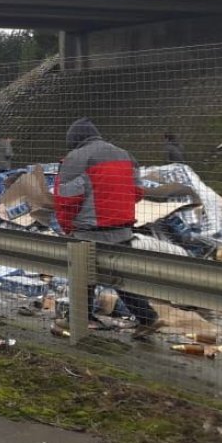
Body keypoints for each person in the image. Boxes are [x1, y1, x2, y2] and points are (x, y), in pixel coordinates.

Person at [54, 118, 164, 339]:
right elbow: (137, 193)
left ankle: (77, 320)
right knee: (119, 277)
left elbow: (66, 200)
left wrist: (67, 227)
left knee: (82, 275)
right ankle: (148, 318)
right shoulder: (125, 155)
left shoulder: (76, 158)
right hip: (123, 230)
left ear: (74, 140)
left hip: (90, 230)